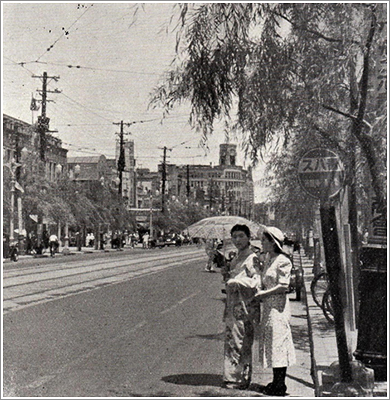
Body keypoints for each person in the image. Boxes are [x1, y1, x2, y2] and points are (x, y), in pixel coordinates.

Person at [255, 226, 296, 396]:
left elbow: (283, 286)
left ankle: (280, 385)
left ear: (273, 242)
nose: (262, 243)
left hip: (278, 307)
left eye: (265, 240)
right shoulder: (268, 259)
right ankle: (275, 381)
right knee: (271, 343)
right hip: (268, 307)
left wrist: (263, 293)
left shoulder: (283, 260)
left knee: (279, 343)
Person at [222, 224, 262, 390]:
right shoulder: (237, 257)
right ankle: (232, 376)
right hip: (233, 304)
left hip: (246, 307)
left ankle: (241, 378)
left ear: (248, 237)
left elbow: (258, 281)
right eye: (234, 237)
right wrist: (227, 273)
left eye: (240, 236)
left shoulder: (252, 258)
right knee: (232, 340)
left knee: (242, 341)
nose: (237, 240)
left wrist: (238, 281)